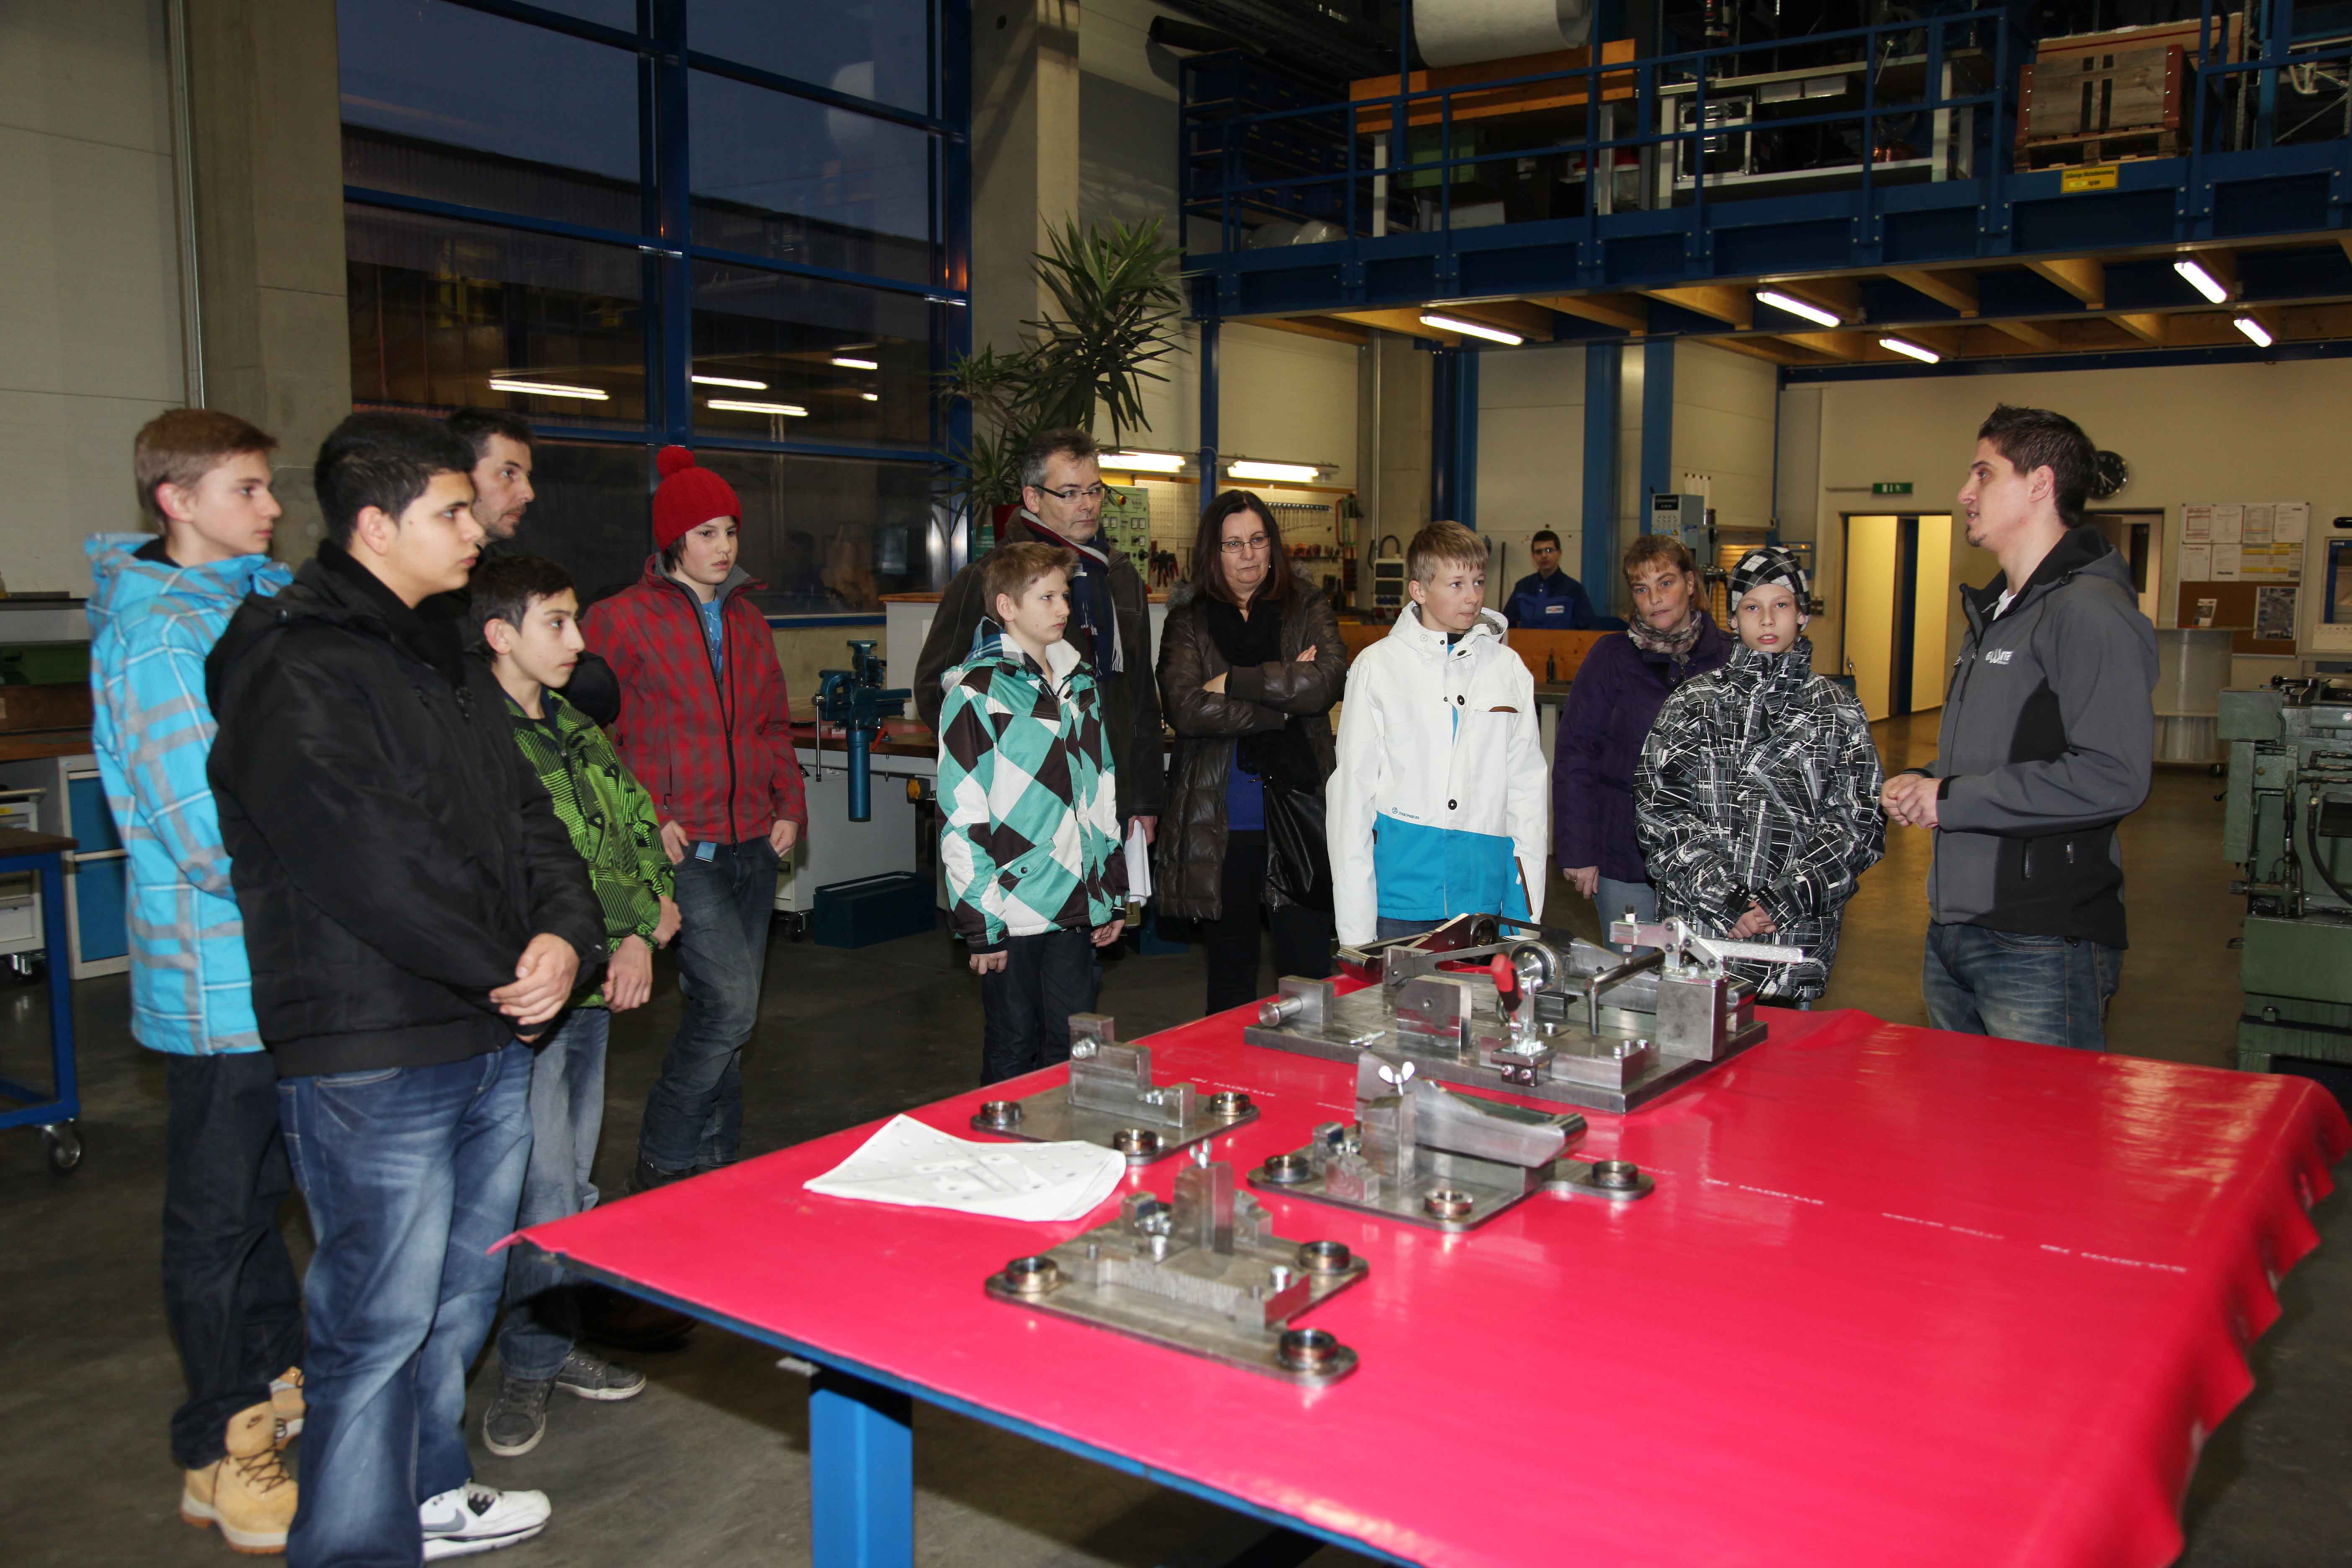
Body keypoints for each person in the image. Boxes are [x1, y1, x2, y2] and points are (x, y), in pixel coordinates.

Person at [206, 411, 605, 1563]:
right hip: (373, 1047)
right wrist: (506, 964)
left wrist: (566, 935)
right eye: (451, 511)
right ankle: (351, 1545)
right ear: (376, 526)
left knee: (456, 1300)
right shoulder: (294, 666)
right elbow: (367, 860)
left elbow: (528, 816)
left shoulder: (440, 654)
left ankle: (427, 1492)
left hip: (487, 1031)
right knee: (374, 1323)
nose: (476, 528)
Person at [88, 410, 302, 1555]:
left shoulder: (255, 607)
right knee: (217, 1220)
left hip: (283, 964)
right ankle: (219, 1443)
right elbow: (203, 829)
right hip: (221, 975)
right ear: (177, 500)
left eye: (269, 488)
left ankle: (269, 1381)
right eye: (247, 489)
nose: (272, 508)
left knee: (262, 1199)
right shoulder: (160, 638)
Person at [470, 555, 681, 1458]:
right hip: (532, 995)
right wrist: (624, 931)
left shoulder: (572, 724)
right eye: (556, 623)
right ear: (499, 635)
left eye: (576, 620)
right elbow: (538, 870)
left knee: (571, 1183)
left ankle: (550, 1344)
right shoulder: (477, 739)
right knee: (543, 1184)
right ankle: (526, 1363)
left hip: (589, 990)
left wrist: (646, 914)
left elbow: (632, 823)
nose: (580, 641)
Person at [1883, 405, 2157, 1050]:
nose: (1965, 492)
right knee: (1962, 1113)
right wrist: (1928, 781)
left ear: (2039, 484)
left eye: (1983, 474)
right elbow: (2007, 753)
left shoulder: (2089, 613)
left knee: (2042, 1115)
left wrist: (1953, 800)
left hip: (2040, 941)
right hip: (1958, 927)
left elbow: (2113, 776)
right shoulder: (1999, 613)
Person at [587, 446, 805, 1191]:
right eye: (707, 533)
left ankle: (714, 1169)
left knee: (727, 1017)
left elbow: (772, 723)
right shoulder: (620, 620)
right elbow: (591, 735)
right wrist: (648, 813)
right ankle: (663, 1160)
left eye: (731, 531)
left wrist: (789, 803)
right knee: (731, 1008)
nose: (724, 547)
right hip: (686, 851)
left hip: (753, 844)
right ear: (673, 539)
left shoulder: (748, 621)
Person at [1635, 547, 1885, 1004]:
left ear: (1803, 615)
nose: (1767, 620)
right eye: (1752, 608)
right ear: (1733, 620)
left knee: (1787, 1048)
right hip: (1703, 937)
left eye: (1781, 605)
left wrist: (1785, 899)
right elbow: (1660, 811)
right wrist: (1725, 898)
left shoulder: (1837, 711)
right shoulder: (1694, 704)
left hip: (1793, 942)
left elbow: (1859, 823)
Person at [914, 428, 1163, 846]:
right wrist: (1013, 766)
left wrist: (1144, 798)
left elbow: (1140, 696)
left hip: (1109, 798)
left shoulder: (1120, 578)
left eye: (1095, 491)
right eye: (1070, 493)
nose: (1088, 504)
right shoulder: (989, 579)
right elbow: (935, 691)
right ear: (1033, 498)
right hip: (1022, 806)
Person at [937, 542, 1129, 1082]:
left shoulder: (1081, 685)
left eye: (1064, 595)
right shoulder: (976, 694)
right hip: (1012, 908)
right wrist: (980, 922)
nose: (1063, 608)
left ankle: (1063, 1138)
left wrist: (1112, 893)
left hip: (1075, 904)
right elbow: (961, 817)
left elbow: (1103, 794)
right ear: (1007, 607)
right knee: (1012, 1047)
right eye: (1046, 597)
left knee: (1073, 1048)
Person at [1155, 491, 1346, 1014]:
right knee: (1231, 974)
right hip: (1224, 820)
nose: (1249, 555)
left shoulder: (1306, 606)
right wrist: (1279, 709)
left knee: (1308, 974)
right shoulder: (1189, 620)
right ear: (1212, 552)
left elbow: (1325, 682)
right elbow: (1186, 708)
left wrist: (1234, 682)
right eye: (1233, 544)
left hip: (1299, 813)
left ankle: (1311, 1064)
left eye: (1258, 540)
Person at [1329, 521, 1547, 945]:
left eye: (1479, 581)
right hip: (1401, 898)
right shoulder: (1378, 667)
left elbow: (1527, 795)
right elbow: (1352, 797)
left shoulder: (1508, 670)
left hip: (1482, 897)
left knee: (1478, 994)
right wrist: (1356, 934)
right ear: (1419, 590)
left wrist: (1523, 919)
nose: (1473, 596)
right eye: (1457, 584)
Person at [1553, 534, 1735, 930]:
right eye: (1642, 588)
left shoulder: (1731, 657)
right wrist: (1579, 850)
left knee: (1704, 969)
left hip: (1716, 861)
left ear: (1690, 583)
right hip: (1625, 855)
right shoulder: (1610, 658)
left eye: (1666, 583)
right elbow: (1575, 755)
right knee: (1633, 968)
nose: (1655, 598)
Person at [445, 407, 620, 728]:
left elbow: (597, 688)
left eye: (526, 476)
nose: (528, 493)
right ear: (458, 476)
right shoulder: (426, 593)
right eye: (508, 473)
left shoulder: (506, 572)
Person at [1501, 529, 1596, 629]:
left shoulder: (1574, 590)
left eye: (1549, 551)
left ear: (1559, 553)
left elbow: (1589, 629)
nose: (1544, 556)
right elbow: (1505, 625)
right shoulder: (1522, 588)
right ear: (1533, 556)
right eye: (1539, 552)